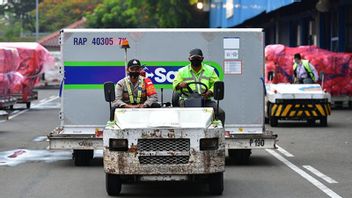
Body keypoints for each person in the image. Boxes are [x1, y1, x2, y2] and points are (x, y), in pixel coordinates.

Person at [173, 48, 225, 125]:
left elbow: (216, 84)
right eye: (194, 58)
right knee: (177, 115)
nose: (196, 60)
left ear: (202, 59)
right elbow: (175, 84)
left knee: (220, 113)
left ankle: (218, 133)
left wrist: (210, 91)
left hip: (205, 100)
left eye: (198, 58)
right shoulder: (182, 71)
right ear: (189, 59)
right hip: (187, 100)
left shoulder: (210, 70)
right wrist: (180, 85)